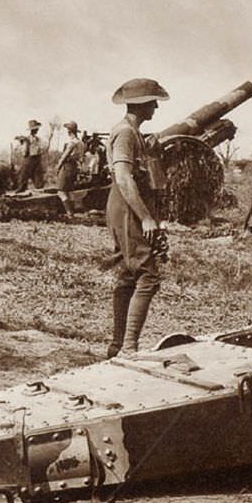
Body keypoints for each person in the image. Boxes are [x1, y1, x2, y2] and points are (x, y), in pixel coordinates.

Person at [106, 78, 169, 358]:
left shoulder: (136, 134)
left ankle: (118, 345)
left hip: (128, 206)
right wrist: (145, 218)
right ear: (142, 105)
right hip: (127, 207)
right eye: (152, 102)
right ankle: (128, 348)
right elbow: (123, 176)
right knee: (147, 275)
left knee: (128, 275)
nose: (156, 106)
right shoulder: (126, 134)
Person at [55, 120, 85, 216]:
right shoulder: (81, 143)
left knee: (61, 191)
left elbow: (65, 156)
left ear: (69, 131)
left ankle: (69, 212)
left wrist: (58, 166)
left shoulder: (72, 143)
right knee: (70, 190)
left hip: (67, 167)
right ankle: (73, 211)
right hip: (74, 167)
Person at [14, 119, 44, 191]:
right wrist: (22, 142)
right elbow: (22, 150)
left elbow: (41, 149)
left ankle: (39, 188)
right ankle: (21, 188)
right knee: (24, 173)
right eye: (35, 129)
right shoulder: (26, 139)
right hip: (29, 158)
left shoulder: (38, 139)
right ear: (32, 130)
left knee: (38, 174)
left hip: (37, 158)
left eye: (37, 129)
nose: (37, 130)